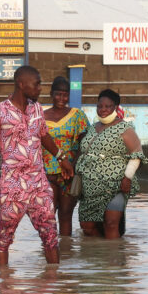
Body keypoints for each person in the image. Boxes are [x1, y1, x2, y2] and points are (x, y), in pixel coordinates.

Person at [0, 65, 74, 265]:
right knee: (4, 238)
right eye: (36, 84)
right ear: (21, 84)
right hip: (12, 186)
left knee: (51, 237)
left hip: (39, 184)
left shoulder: (37, 108)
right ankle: (4, 288)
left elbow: (43, 134)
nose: (40, 88)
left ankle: (52, 288)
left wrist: (61, 157)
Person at [75, 89, 148, 239]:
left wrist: (127, 178)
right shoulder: (92, 128)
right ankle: (99, 256)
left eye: (108, 106)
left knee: (111, 223)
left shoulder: (125, 128)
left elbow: (136, 154)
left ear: (115, 107)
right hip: (90, 187)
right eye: (100, 106)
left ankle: (113, 259)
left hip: (116, 185)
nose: (103, 110)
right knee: (87, 227)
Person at [42, 77, 90, 236]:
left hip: (70, 173)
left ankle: (66, 252)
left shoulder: (77, 115)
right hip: (47, 173)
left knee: (65, 215)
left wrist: (73, 167)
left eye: (65, 95)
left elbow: (85, 143)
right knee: (47, 216)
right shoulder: (41, 117)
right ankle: (49, 253)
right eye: (58, 94)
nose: (61, 99)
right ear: (51, 94)